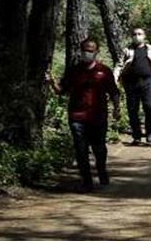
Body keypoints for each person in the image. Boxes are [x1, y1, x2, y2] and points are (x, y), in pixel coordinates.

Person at [46, 38, 121, 193]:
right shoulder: (74, 71)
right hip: (77, 116)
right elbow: (62, 91)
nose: (87, 53)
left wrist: (116, 109)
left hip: (98, 116)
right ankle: (86, 181)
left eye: (91, 50)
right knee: (80, 149)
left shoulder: (104, 71)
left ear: (96, 52)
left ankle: (101, 171)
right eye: (85, 50)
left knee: (99, 147)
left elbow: (113, 91)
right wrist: (52, 82)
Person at [115, 28, 151, 145]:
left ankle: (150, 133)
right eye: (134, 34)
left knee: (150, 107)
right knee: (133, 109)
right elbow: (119, 65)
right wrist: (115, 78)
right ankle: (136, 135)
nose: (137, 36)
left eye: (139, 34)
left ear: (144, 36)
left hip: (148, 81)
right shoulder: (127, 50)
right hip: (131, 83)